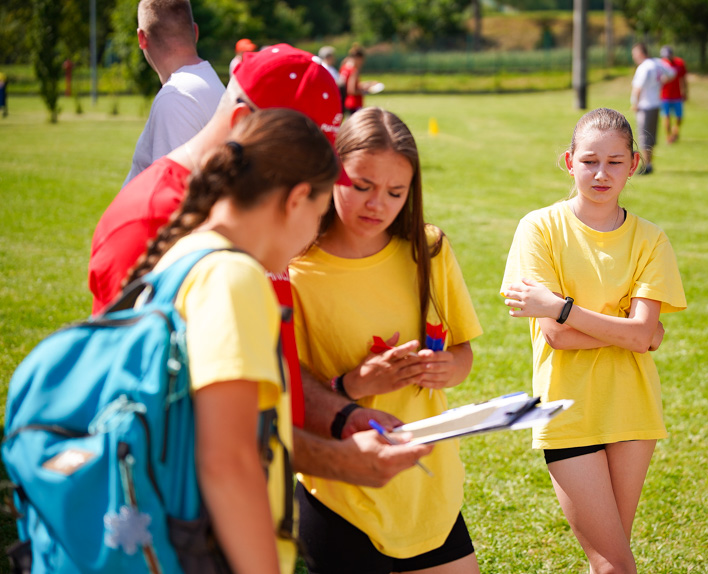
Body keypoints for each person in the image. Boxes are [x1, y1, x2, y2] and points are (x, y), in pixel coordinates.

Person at [89, 44, 432, 508]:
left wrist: (339, 415)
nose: (309, 198)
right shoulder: (148, 227)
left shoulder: (266, 212)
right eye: (300, 175)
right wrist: (335, 460)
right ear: (240, 128)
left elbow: (273, 367)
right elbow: (188, 428)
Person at [124, 107, 339, 573]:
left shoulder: (183, 252)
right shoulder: (233, 277)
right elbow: (229, 462)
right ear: (297, 198)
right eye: (320, 215)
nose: (310, 239)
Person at [290, 106, 483, 574]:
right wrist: (354, 384)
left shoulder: (429, 250)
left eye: (396, 192)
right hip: (338, 493)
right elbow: (289, 393)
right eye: (362, 187)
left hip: (426, 484)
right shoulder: (296, 269)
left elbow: (463, 353)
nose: (378, 204)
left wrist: (448, 368)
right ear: (332, 174)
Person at [500, 108, 686, 573]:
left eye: (615, 162)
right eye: (589, 161)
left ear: (635, 163)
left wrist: (561, 305)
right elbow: (558, 336)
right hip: (566, 412)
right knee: (615, 563)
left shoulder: (651, 240)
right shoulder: (539, 228)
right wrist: (629, 330)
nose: (601, 173)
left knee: (608, 561)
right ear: (568, 161)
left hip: (633, 411)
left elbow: (638, 332)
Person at [123, 0, 225, 186]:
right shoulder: (209, 81)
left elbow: (172, 193)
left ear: (142, 38)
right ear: (195, 32)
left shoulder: (176, 98)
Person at [630, 43, 675, 175]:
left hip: (645, 105)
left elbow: (638, 88)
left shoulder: (644, 67)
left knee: (644, 136)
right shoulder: (657, 63)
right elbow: (672, 73)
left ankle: (646, 165)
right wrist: (661, 81)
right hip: (656, 103)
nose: (634, 57)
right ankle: (649, 163)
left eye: (634, 54)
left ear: (640, 53)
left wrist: (635, 103)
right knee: (651, 136)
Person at [660, 45, 688, 144]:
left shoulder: (680, 63)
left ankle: (675, 132)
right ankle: (668, 136)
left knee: (679, 118)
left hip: (677, 95)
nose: (667, 58)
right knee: (666, 117)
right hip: (664, 96)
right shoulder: (661, 64)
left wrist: (685, 92)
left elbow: (683, 79)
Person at [339, 43, 367, 115]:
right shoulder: (353, 70)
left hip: (344, 100)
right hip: (354, 103)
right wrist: (364, 91)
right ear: (358, 58)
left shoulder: (344, 67)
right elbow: (351, 90)